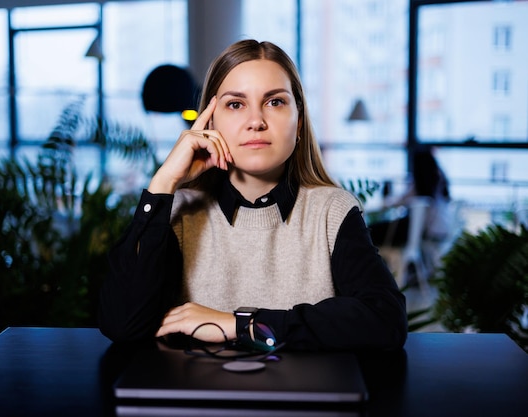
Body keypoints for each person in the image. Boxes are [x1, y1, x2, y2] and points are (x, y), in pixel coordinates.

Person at [98, 39, 407, 351]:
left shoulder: (331, 211)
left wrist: (240, 325)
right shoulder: (179, 214)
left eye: (275, 102)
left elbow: (384, 320)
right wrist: (164, 181)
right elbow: (123, 323)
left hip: (304, 396)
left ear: (298, 122)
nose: (256, 122)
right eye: (235, 104)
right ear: (210, 122)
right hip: (199, 396)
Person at [369, 147, 452, 248]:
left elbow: (399, 201)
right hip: (442, 228)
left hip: (425, 231)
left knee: (372, 231)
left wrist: (386, 202)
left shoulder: (420, 185)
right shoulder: (439, 182)